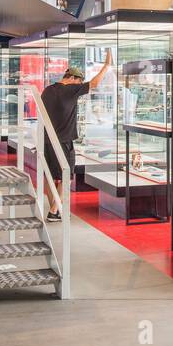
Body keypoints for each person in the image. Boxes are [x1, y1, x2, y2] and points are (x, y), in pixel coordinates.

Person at [39, 55, 112, 221]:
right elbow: (93, 84)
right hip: (63, 141)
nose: (79, 86)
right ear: (72, 78)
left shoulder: (48, 90)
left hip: (46, 140)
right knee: (66, 175)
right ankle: (53, 210)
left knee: (50, 176)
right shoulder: (70, 90)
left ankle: (54, 210)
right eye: (79, 82)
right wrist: (106, 65)